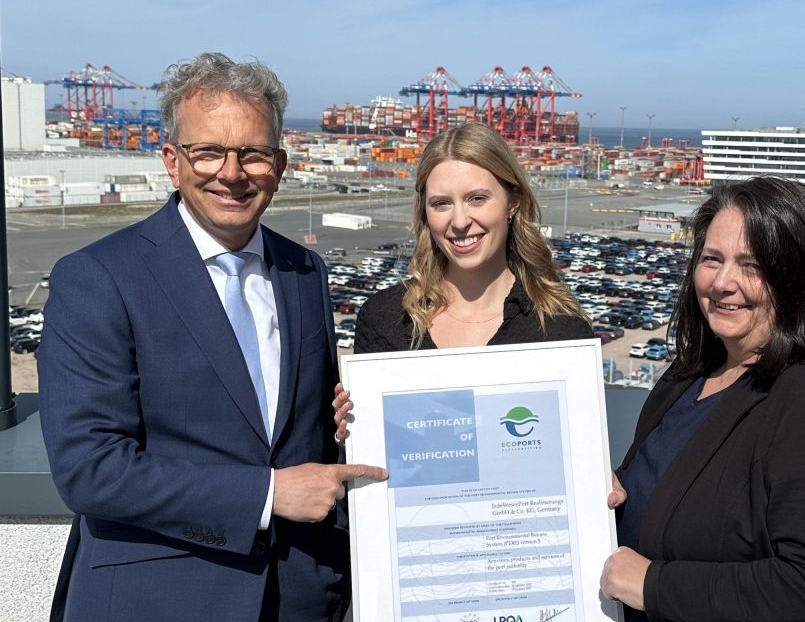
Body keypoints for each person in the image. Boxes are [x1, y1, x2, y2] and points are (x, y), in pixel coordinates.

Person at [39, 52, 386, 622]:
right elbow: (89, 468)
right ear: (173, 162)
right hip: (158, 600)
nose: (231, 173)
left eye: (252, 153)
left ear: (279, 164)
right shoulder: (99, 277)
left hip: (300, 596)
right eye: (209, 152)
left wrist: (348, 420)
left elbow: (301, 435)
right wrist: (268, 495)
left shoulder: (304, 271)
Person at [599, 177, 805, 621]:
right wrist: (622, 492)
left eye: (752, 266)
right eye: (711, 259)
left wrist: (655, 585)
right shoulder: (690, 374)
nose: (723, 282)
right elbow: (686, 497)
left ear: (798, 278)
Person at [332, 122, 592, 441]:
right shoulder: (385, 319)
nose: (459, 222)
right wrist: (353, 439)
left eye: (477, 198)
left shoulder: (561, 331)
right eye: (441, 203)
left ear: (513, 202)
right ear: (425, 212)